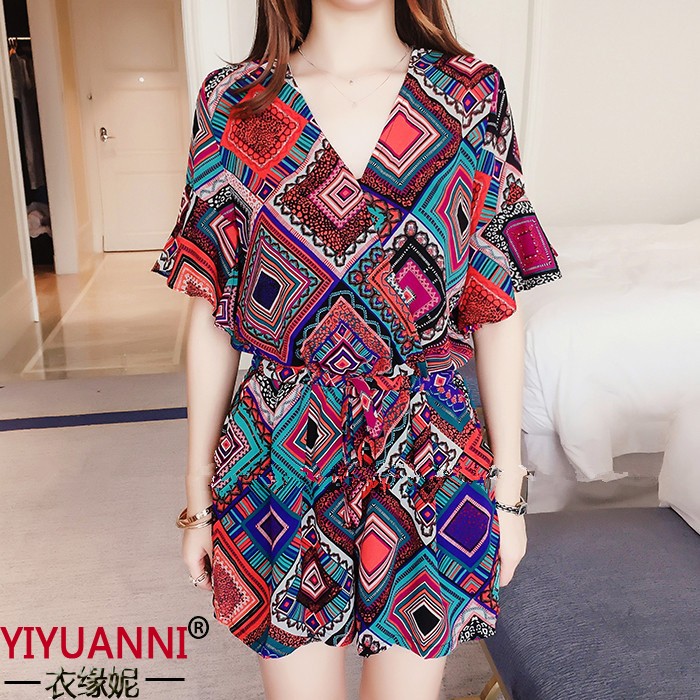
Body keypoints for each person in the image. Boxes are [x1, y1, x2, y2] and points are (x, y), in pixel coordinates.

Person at [151, 1, 563, 698]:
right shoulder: (235, 103)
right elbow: (212, 308)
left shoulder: (470, 95)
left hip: (428, 447)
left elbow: (495, 300)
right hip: (280, 450)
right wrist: (198, 499)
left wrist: (509, 492)